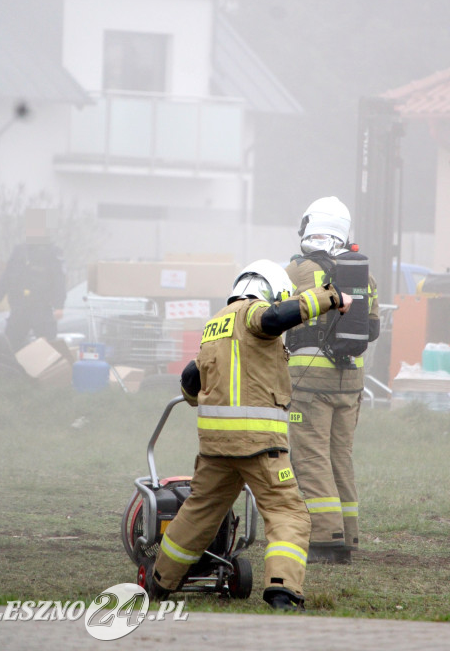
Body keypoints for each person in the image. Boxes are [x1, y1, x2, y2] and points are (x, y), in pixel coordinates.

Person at [150, 258, 352, 611]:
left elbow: (190, 381)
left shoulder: (214, 324)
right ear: (270, 290)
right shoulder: (253, 315)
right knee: (288, 513)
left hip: (215, 449)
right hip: (259, 445)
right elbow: (275, 317)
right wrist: (331, 297)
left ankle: (158, 581)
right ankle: (282, 592)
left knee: (198, 514)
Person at [285, 197, 380, 565]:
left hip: (309, 382)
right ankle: (348, 535)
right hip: (351, 381)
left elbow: (270, 317)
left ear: (310, 226)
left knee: (311, 455)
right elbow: (371, 329)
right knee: (341, 456)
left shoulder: (298, 272)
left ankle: (325, 539)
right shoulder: (364, 276)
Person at [0, 208, 66, 352]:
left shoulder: (53, 253)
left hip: (41, 307)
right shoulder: (19, 251)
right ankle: (11, 371)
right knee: (10, 344)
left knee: (47, 346)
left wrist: (59, 306)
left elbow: (59, 281)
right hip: (19, 307)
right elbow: (6, 278)